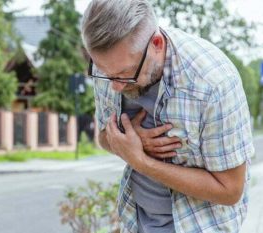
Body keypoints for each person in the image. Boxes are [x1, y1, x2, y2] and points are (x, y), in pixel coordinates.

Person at [81, 0, 255, 232]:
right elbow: (104, 137)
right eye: (104, 73)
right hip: (136, 222)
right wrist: (132, 142)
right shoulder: (112, 67)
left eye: (125, 75)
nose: (115, 87)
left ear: (156, 43)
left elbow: (230, 190)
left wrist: (140, 160)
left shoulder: (213, 83)